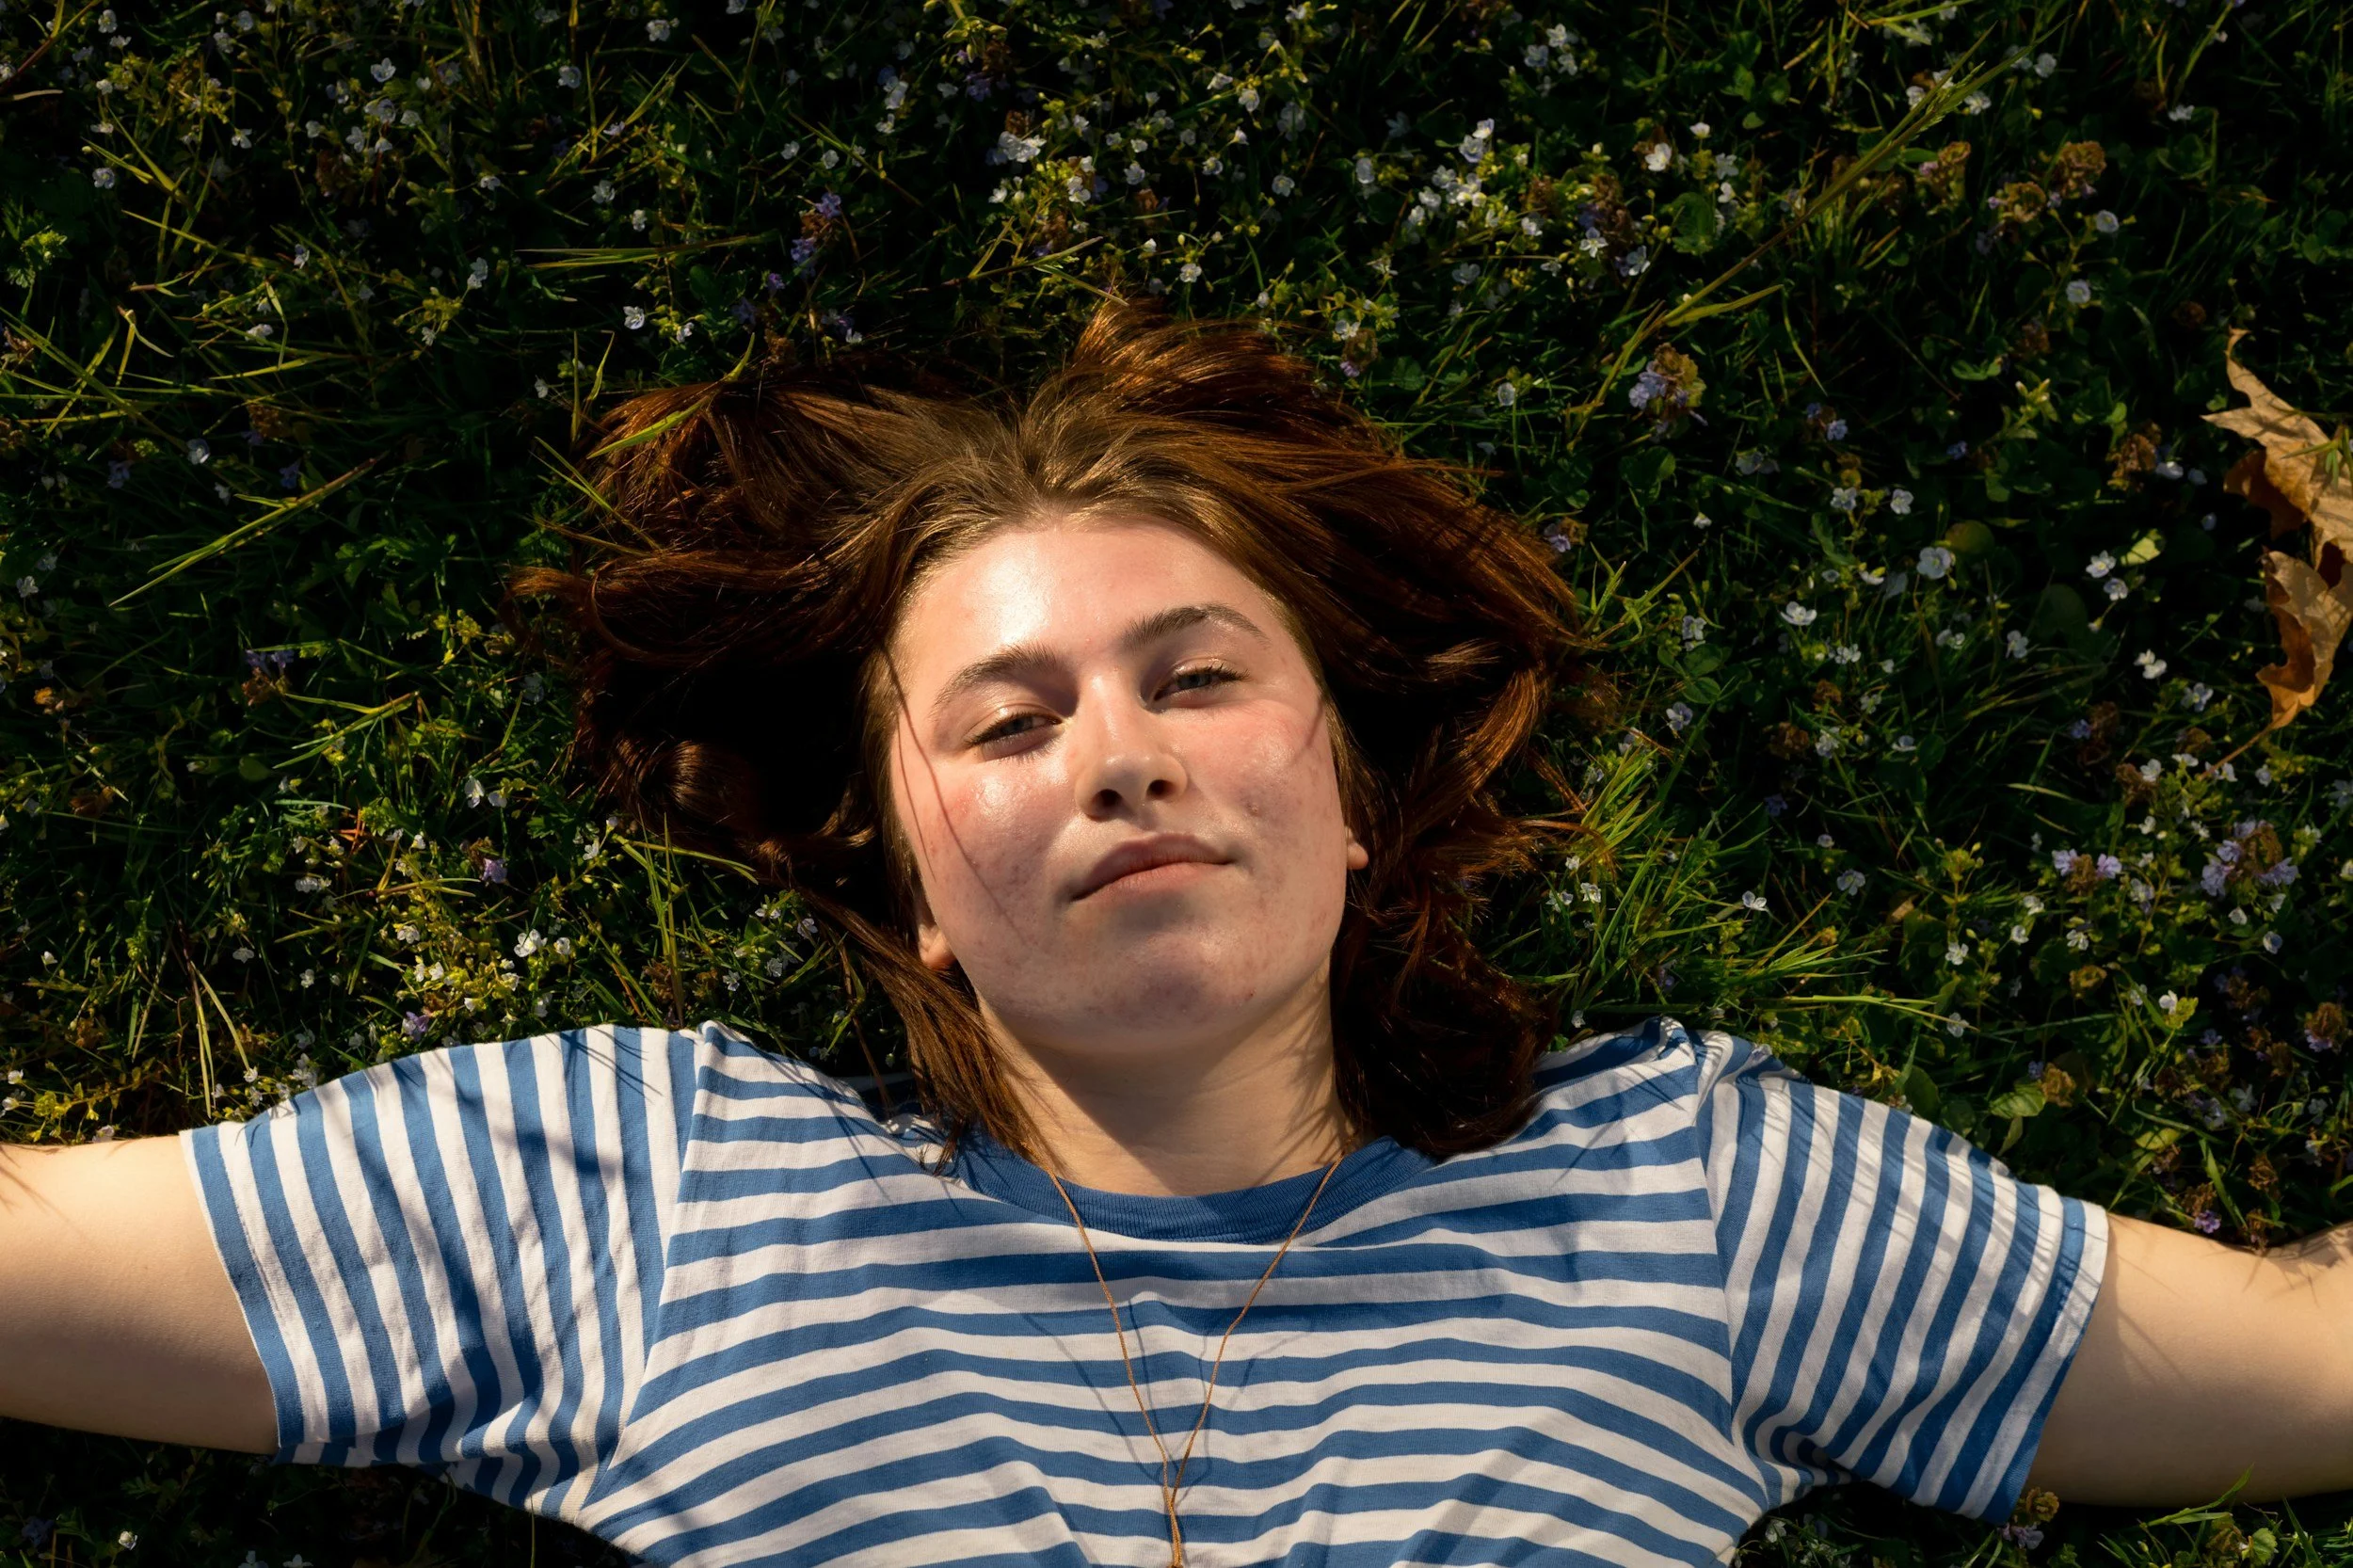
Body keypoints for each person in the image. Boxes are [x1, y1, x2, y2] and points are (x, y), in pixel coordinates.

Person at [2, 299, 2347, 1568]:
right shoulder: (637, 1182)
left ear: (1349, 784)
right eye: (1003, 721)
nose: (1113, 751)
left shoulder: (1696, 1200)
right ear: (909, 880)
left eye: (1195, 675)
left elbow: (2307, 1362)